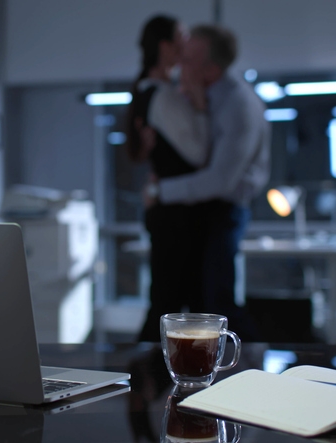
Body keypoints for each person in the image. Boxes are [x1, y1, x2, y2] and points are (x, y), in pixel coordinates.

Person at [140, 24, 271, 341]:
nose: (179, 62)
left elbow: (220, 181)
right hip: (202, 210)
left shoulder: (238, 105)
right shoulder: (204, 95)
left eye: (187, 58)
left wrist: (160, 191)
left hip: (223, 211)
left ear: (211, 68)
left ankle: (250, 369)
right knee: (197, 301)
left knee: (218, 303)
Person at [125, 16, 211, 342]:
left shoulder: (157, 91)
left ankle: (150, 381)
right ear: (166, 46)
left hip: (169, 211)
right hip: (175, 215)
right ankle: (147, 379)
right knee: (169, 304)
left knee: (168, 300)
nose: (187, 43)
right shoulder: (162, 96)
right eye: (182, 37)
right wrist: (200, 106)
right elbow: (199, 154)